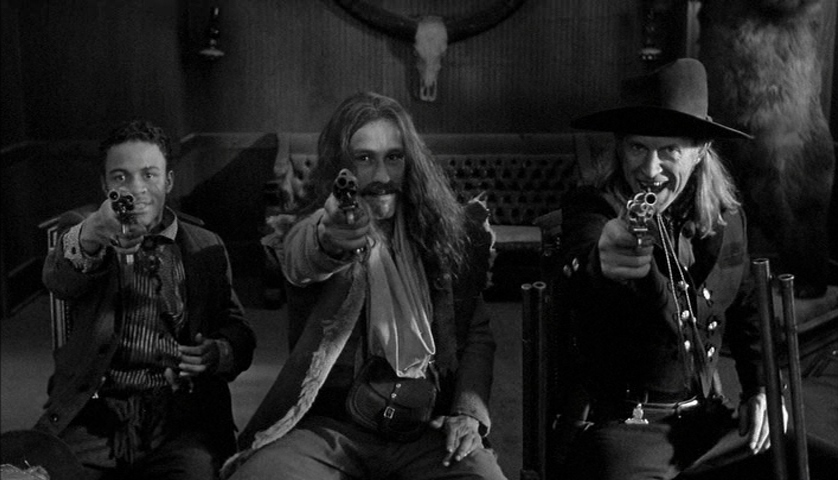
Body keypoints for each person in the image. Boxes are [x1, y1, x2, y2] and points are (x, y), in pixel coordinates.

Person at [222, 92, 506, 480]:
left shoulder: (445, 237)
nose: (382, 176)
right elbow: (306, 254)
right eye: (365, 159)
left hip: (426, 427)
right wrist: (332, 237)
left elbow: (475, 333)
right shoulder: (319, 225)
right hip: (333, 428)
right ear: (342, 165)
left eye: (394, 157)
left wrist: (468, 414)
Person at [552, 58, 787, 479]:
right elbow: (580, 263)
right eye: (638, 148)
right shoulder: (593, 207)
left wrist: (762, 388)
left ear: (701, 151)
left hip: (707, 423)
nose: (650, 170)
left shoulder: (728, 218)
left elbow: (748, 308)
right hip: (625, 428)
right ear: (620, 147)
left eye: (668, 151)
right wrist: (600, 261)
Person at [35, 119, 256, 479]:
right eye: (120, 177)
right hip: (97, 414)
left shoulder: (206, 245)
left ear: (168, 181)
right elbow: (59, 280)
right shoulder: (89, 233)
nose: (136, 189)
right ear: (105, 185)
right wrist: (94, 232)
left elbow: (238, 330)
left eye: (149, 175)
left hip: (182, 420)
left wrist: (217, 352)